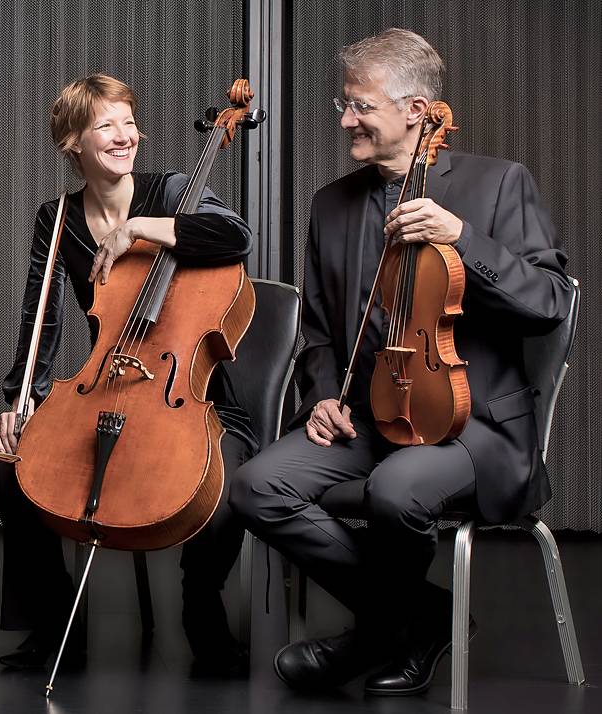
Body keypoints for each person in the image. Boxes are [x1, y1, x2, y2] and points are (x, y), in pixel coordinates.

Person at [229, 29, 573, 696]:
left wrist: (463, 239)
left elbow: (551, 302)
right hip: (370, 416)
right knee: (256, 486)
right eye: (344, 104)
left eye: (360, 106)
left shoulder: (498, 185)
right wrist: (323, 397)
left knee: (399, 489)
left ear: (417, 111)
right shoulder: (332, 205)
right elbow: (324, 335)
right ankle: (421, 618)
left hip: (480, 429)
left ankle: (377, 636)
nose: (345, 119)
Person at [0, 74, 256, 674]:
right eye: (105, 124)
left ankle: (200, 607)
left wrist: (138, 228)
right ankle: (57, 628)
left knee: (223, 478)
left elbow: (235, 237)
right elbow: (42, 318)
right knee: (11, 463)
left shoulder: (173, 192)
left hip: (194, 393)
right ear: (72, 141)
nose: (123, 135)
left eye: (128, 121)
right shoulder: (56, 218)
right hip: (105, 385)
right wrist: (22, 401)